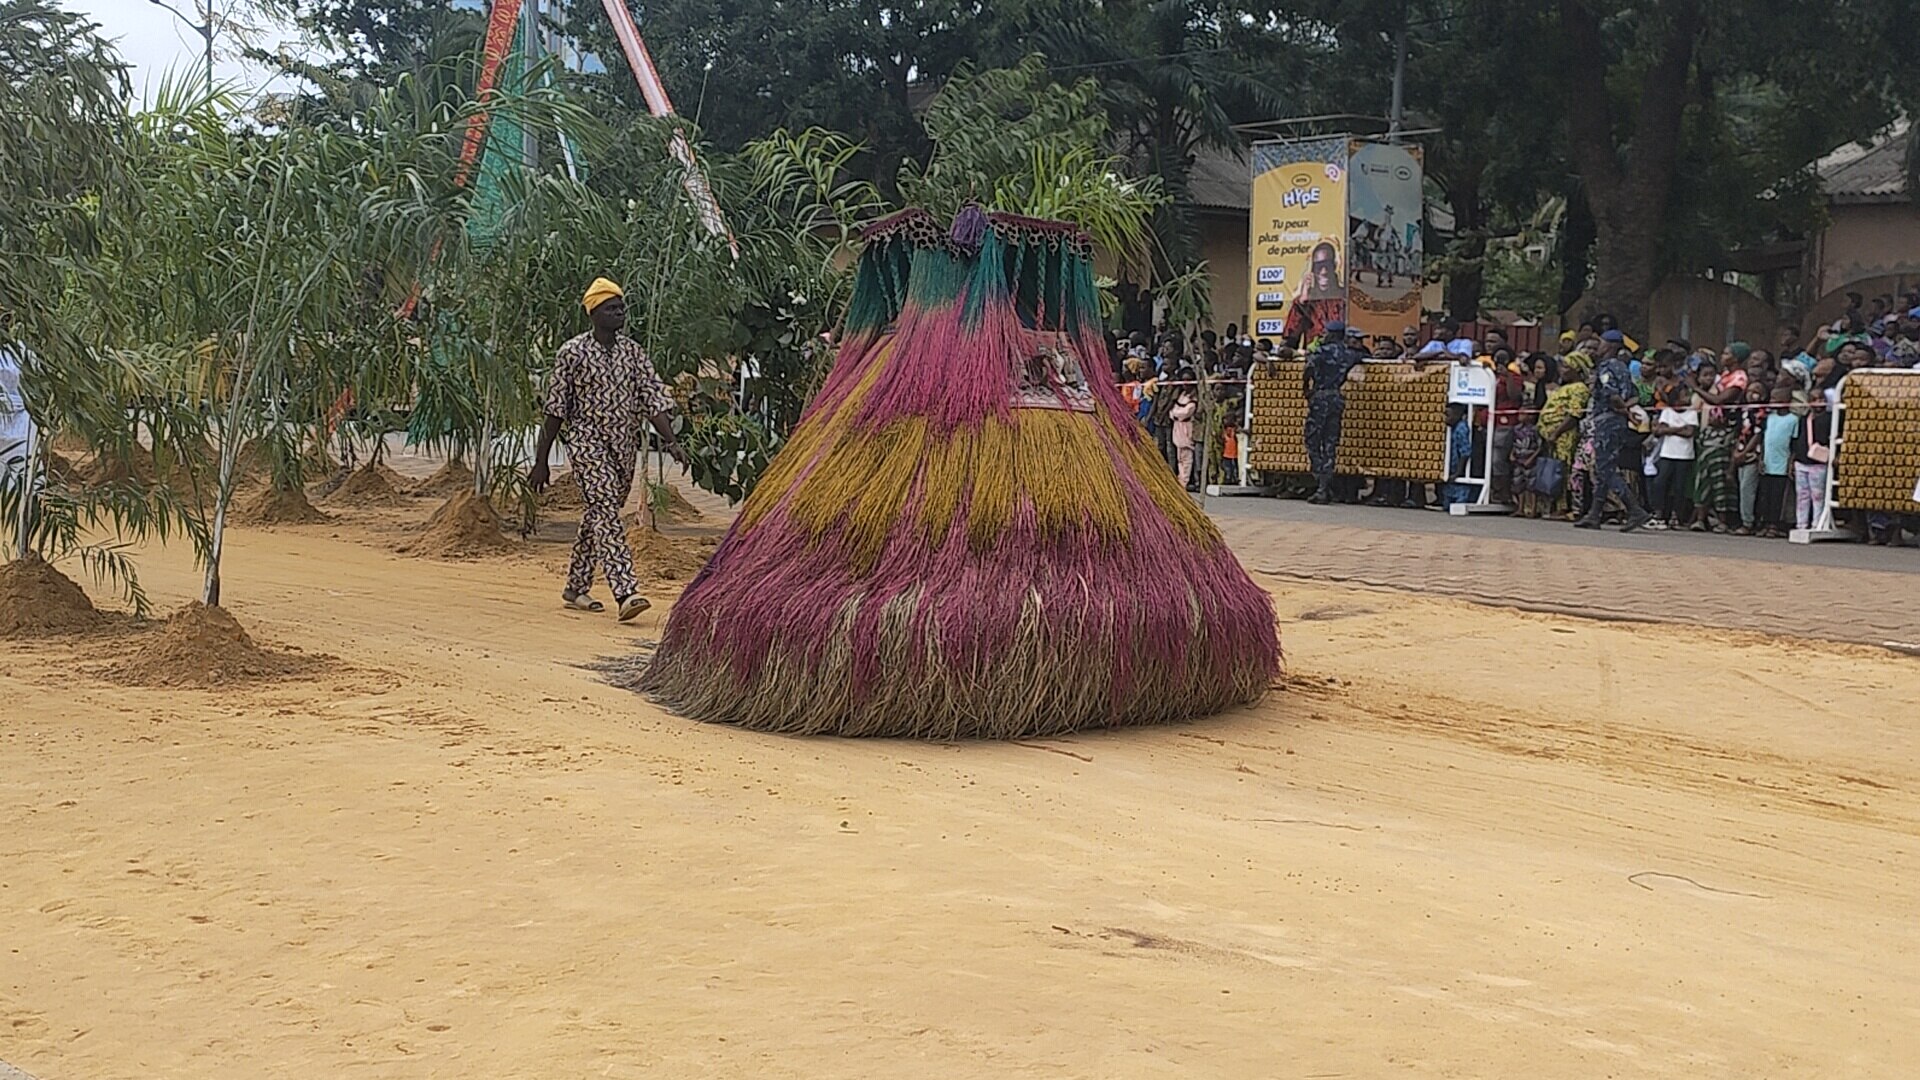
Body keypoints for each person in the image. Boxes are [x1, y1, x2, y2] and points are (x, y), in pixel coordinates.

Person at [530, 277, 689, 622]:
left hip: (623, 446)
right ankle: (626, 591)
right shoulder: (572, 353)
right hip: (586, 442)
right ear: (593, 313)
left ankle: (575, 587)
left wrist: (672, 442)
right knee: (604, 507)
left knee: (600, 513)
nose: (619, 313)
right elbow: (555, 410)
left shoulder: (632, 353)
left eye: (621, 308)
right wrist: (541, 461)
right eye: (611, 308)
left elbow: (653, 399)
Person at [1576, 332, 1652, 531]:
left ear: (1610, 346)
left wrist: (1624, 411)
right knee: (1605, 468)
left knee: (1605, 469)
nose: (1598, 347)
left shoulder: (1607, 367)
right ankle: (1594, 514)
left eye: (1601, 343)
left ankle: (1635, 510)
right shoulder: (1623, 367)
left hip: (1607, 421)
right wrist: (1627, 413)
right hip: (1618, 423)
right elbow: (1634, 395)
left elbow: (1612, 394)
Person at [1302, 320, 1365, 504]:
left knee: (1313, 441)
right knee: (1330, 444)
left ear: (1332, 334)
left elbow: (1308, 369)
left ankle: (1321, 483)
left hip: (1321, 396)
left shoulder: (1321, 351)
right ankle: (1325, 487)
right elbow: (1363, 355)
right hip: (1336, 396)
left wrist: (1306, 388)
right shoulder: (1349, 353)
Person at [1538, 352, 1591, 520]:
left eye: (1567, 367)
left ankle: (1564, 507)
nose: (1562, 370)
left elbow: (1574, 415)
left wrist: (1556, 433)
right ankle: (1555, 505)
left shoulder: (1579, 388)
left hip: (1564, 436)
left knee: (1563, 469)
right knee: (1554, 469)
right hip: (1553, 436)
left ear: (1577, 369)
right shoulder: (1565, 387)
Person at [1648, 394, 1698, 529]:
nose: (1686, 398)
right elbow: (1659, 430)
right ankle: (1658, 513)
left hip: (1684, 455)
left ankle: (1676, 516)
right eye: (1683, 396)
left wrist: (1669, 430)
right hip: (1667, 453)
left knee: (1679, 487)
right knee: (1659, 482)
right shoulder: (1667, 412)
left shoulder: (1691, 413)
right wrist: (1679, 428)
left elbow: (1689, 432)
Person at [1757, 386, 1798, 538]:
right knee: (1765, 496)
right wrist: (1761, 459)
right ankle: (1765, 523)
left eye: (1775, 399)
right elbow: (1764, 440)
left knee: (1778, 497)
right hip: (1768, 463)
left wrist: (1790, 463)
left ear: (1785, 400)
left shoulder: (1793, 419)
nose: (1771, 401)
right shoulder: (1769, 418)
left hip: (1781, 465)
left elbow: (1794, 444)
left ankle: (1775, 524)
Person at [1731, 382, 1768, 536]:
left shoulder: (1761, 411)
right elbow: (1738, 432)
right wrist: (1736, 452)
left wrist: (1745, 452)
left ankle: (1747, 522)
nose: (1752, 393)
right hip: (1740, 453)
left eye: (1757, 390)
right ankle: (1743, 519)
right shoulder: (1743, 410)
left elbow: (1758, 434)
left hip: (1752, 455)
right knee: (1742, 488)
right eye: (1750, 390)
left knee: (1747, 489)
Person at [1491, 348, 1525, 503]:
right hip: (1488, 422)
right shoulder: (1488, 375)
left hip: (1505, 423)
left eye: (1503, 358)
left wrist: (1507, 376)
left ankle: (1503, 493)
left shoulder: (1514, 377)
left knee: (1498, 459)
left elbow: (1514, 395)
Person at [1439, 402, 1474, 509]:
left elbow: (1465, 452)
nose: (1445, 419)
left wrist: (1458, 472)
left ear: (1457, 414)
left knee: (1459, 503)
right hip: (1451, 470)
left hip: (1458, 473)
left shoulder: (1461, 429)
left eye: (1448, 415)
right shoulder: (1451, 428)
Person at [1169, 373, 1199, 490]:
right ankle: (1180, 478)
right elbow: (1173, 411)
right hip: (1178, 427)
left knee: (1187, 457)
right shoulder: (1181, 395)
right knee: (1180, 456)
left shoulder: (1194, 397)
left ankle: (1185, 480)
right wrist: (1175, 414)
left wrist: (1176, 414)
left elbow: (1186, 412)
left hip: (1186, 427)